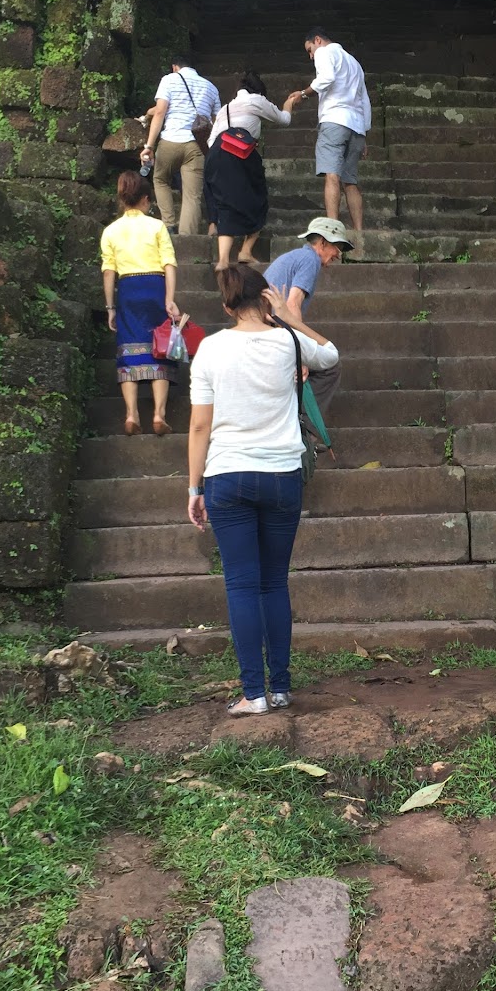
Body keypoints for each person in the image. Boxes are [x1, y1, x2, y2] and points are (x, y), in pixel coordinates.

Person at [187, 265, 340, 716]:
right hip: (281, 475)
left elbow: (200, 426)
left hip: (227, 475)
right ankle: (282, 688)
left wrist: (194, 487)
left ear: (227, 306)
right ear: (265, 298)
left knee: (241, 584)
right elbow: (330, 355)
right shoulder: (289, 342)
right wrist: (289, 317)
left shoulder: (210, 348)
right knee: (274, 582)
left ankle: (253, 694)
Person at [100, 170, 180, 437]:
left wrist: (110, 307)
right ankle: (159, 414)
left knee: (128, 348)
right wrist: (169, 299)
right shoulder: (156, 226)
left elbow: (108, 272)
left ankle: (131, 414)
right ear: (145, 199)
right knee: (160, 348)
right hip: (155, 287)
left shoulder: (111, 231)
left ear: (122, 199)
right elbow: (169, 264)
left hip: (128, 290)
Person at [205, 71, 299, 271]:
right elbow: (284, 119)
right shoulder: (256, 100)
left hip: (216, 154)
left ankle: (223, 260)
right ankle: (245, 251)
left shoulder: (225, 109)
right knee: (258, 198)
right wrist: (289, 104)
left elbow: (211, 141)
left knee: (225, 202)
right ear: (259, 90)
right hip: (240, 153)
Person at [263, 217, 352, 419]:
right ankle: (305, 426)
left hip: (264, 326)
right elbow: (292, 304)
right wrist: (301, 354)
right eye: (337, 247)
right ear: (323, 242)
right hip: (274, 329)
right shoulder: (310, 260)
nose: (338, 254)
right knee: (329, 367)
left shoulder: (296, 257)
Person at [287, 29, 371, 234]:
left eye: (310, 50)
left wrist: (303, 94)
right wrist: (364, 132)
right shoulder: (354, 63)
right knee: (350, 181)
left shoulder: (325, 52)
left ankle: (333, 231)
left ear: (317, 40)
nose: (311, 56)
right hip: (356, 126)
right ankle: (359, 232)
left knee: (332, 176)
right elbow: (364, 100)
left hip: (334, 120)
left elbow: (326, 78)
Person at [141, 56, 220, 238]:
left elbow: (160, 112)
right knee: (192, 196)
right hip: (196, 145)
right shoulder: (210, 87)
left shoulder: (169, 80)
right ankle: (187, 239)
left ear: (175, 67)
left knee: (160, 179)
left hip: (171, 140)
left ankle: (169, 225)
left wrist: (149, 146)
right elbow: (216, 122)